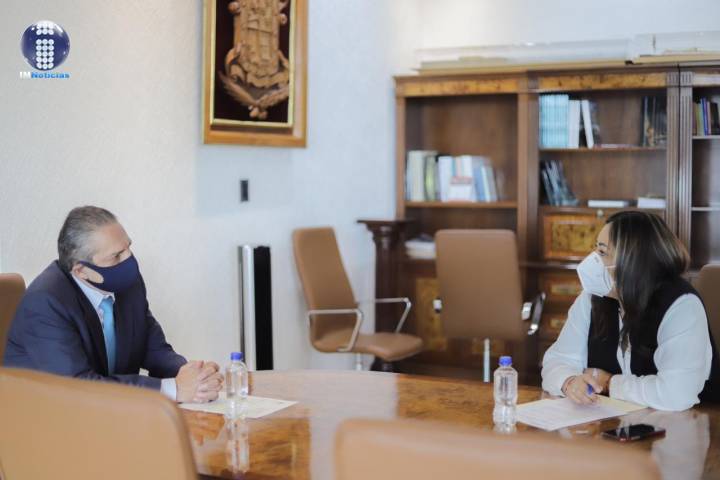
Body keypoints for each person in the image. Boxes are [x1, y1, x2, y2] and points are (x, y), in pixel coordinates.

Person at [4, 206, 222, 403]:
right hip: (42, 417)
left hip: (107, 411)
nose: (129, 259)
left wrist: (194, 375)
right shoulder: (46, 302)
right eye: (116, 256)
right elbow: (77, 387)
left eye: (128, 248)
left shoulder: (128, 283)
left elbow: (151, 346)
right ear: (81, 270)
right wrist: (174, 389)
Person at [542, 211, 719, 411]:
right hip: (613, 421)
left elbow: (676, 394)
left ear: (633, 261)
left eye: (602, 252)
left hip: (690, 421)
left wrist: (609, 383)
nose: (592, 261)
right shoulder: (593, 297)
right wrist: (569, 382)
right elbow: (556, 361)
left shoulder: (681, 305)